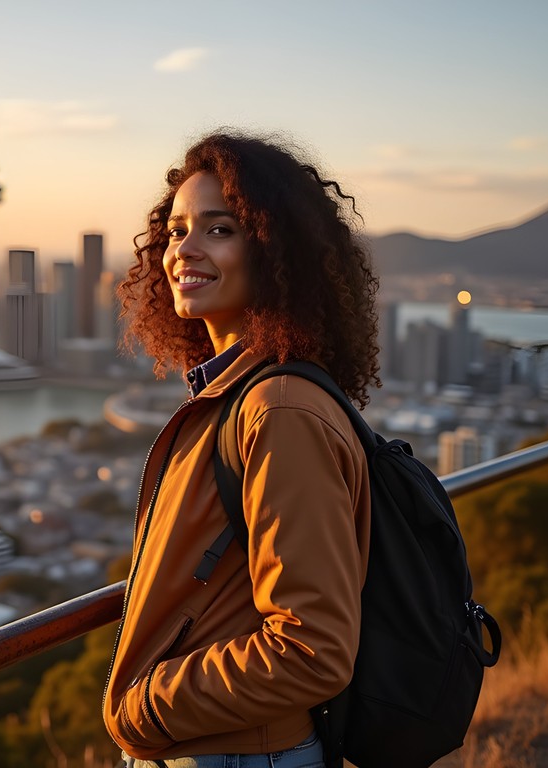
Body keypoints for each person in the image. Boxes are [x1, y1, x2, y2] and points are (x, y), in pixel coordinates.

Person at [102, 130, 381, 768]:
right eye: (175, 231)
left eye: (219, 230)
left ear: (274, 249)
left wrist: (145, 705)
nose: (185, 251)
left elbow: (312, 648)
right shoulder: (236, 394)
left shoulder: (276, 410)